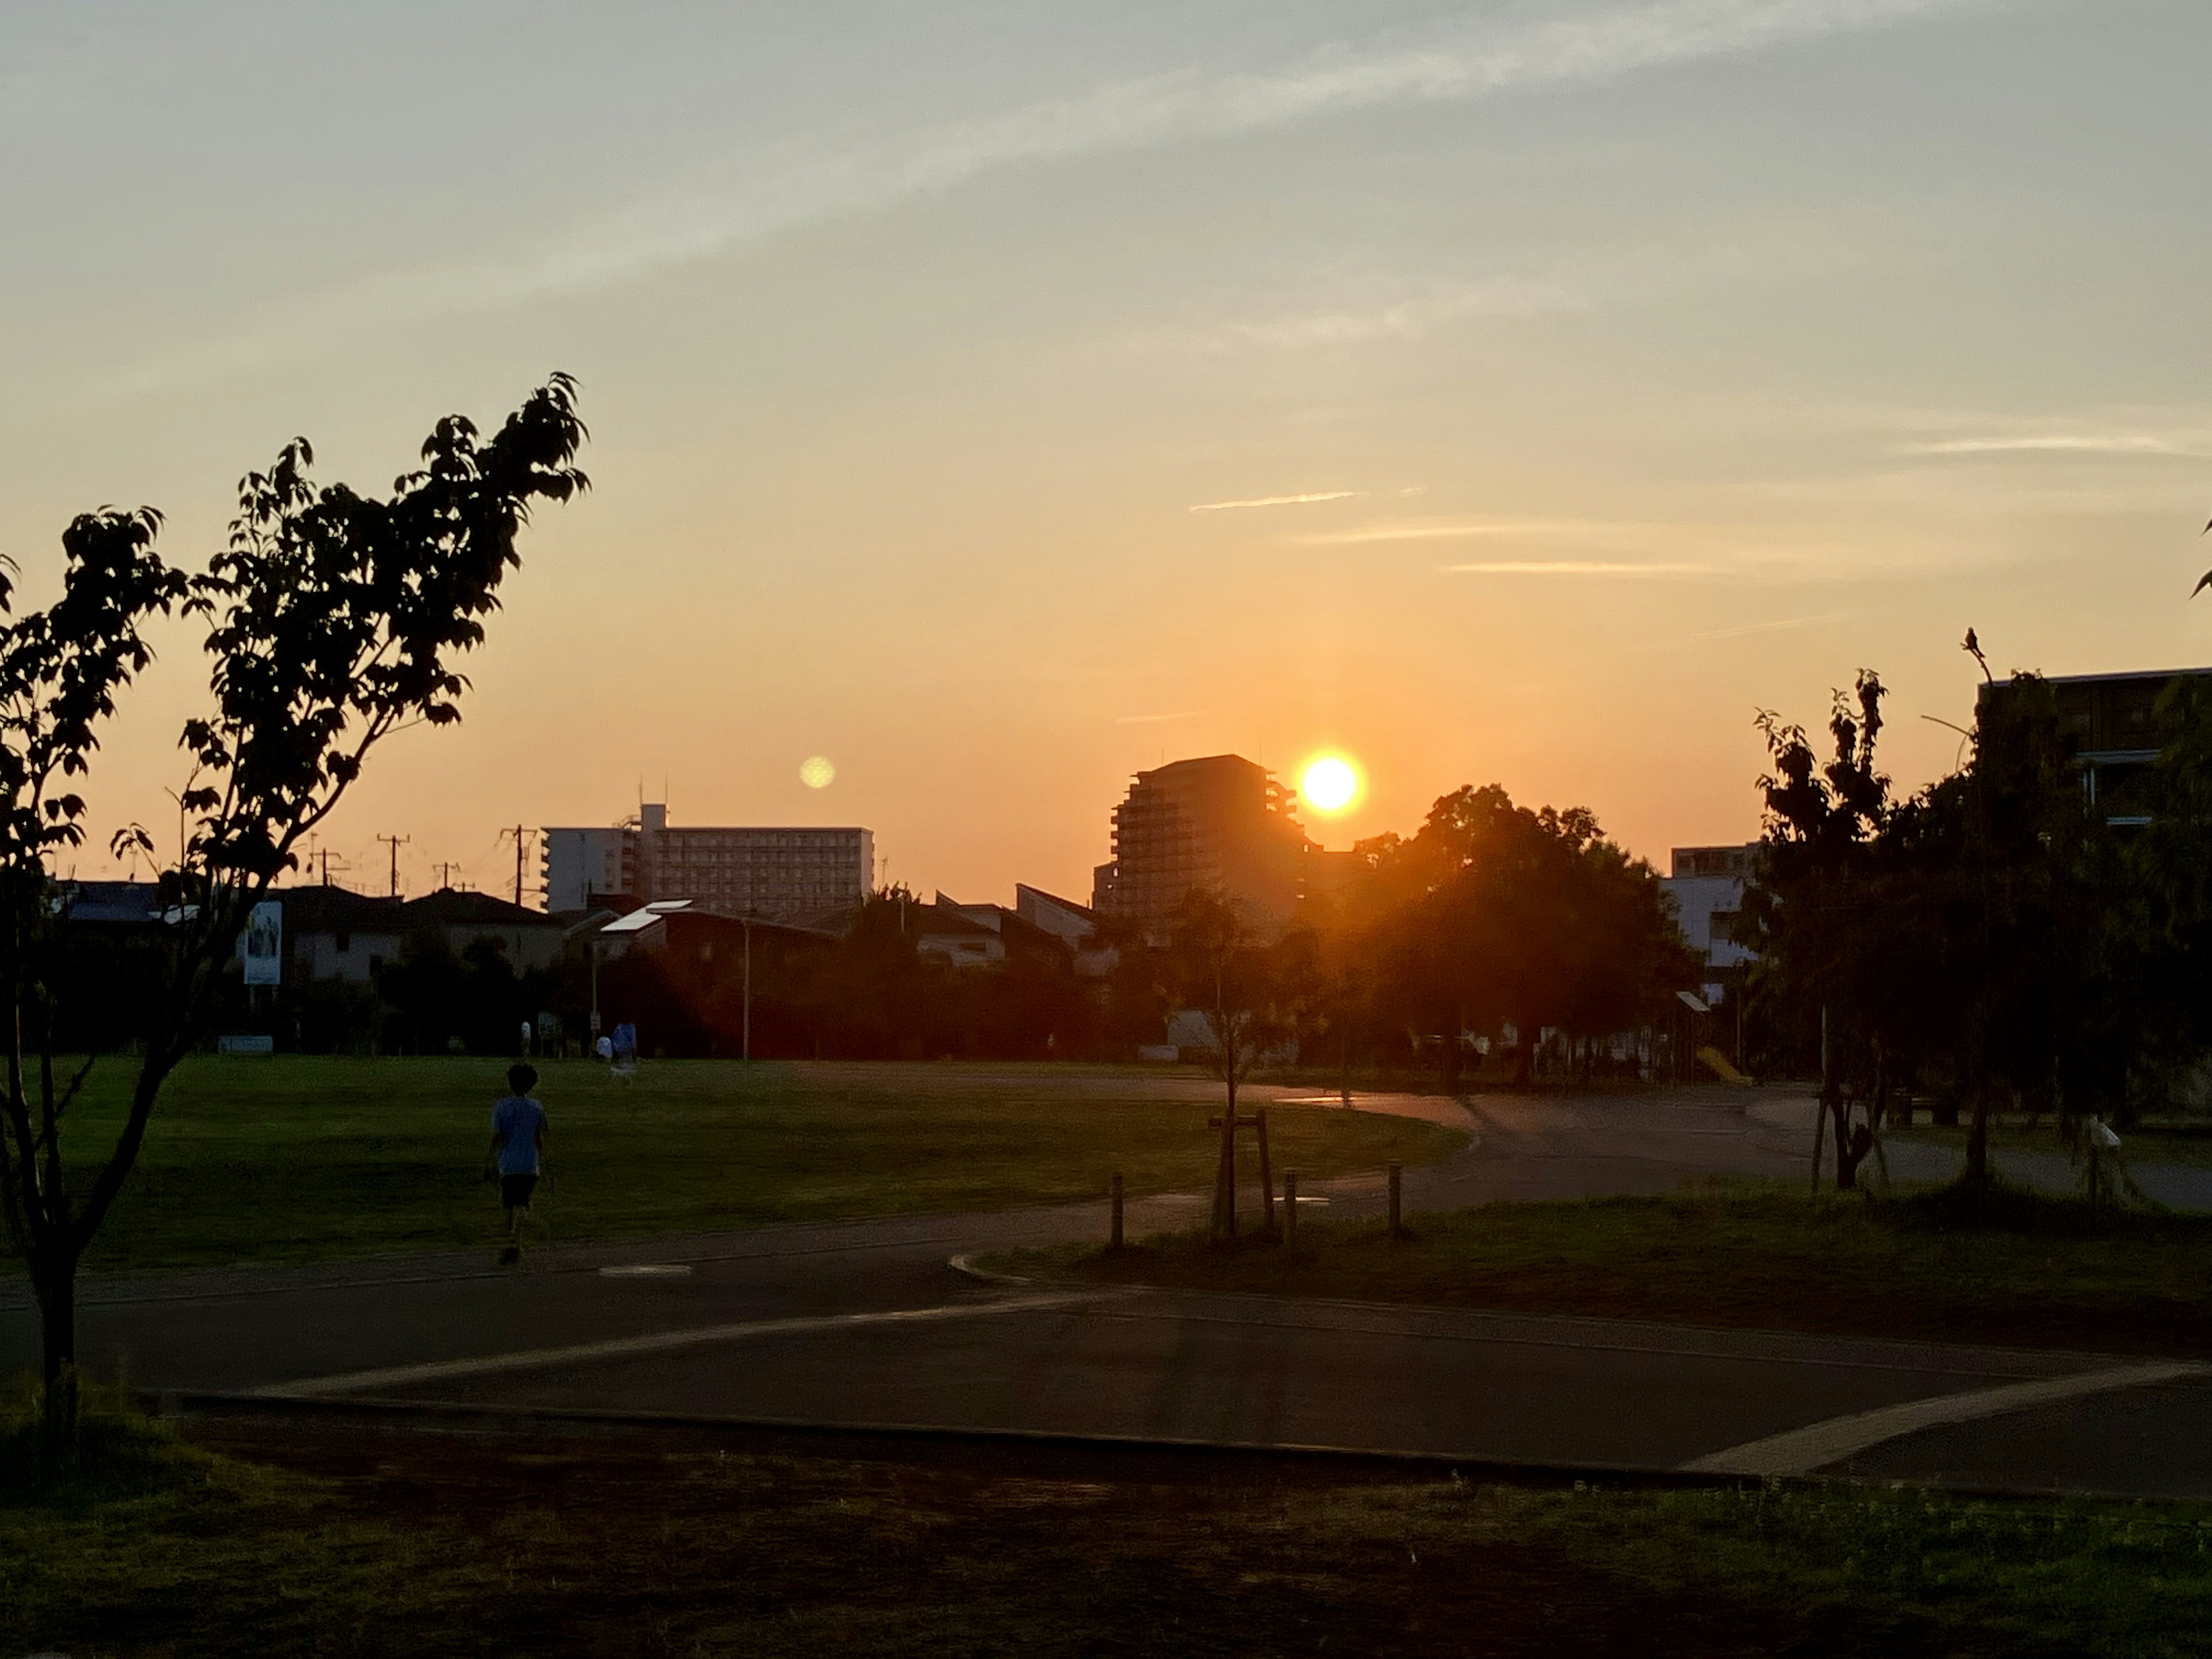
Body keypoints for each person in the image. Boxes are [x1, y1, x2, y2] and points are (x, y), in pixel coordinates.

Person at [486, 1062, 548, 1265]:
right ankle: (517, 1243)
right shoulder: (537, 1107)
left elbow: (498, 1137)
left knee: (513, 1205)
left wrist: (491, 1161)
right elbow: (539, 1138)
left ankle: (515, 1243)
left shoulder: (502, 1107)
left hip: (509, 1163)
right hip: (530, 1163)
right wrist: (545, 1160)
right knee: (519, 1203)